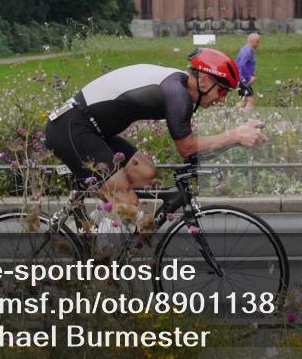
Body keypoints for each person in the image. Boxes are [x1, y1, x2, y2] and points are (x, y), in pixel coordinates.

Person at [44, 48, 266, 231]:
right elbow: (187, 148)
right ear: (205, 81)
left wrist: (235, 139)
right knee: (128, 204)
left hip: (94, 130)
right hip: (71, 127)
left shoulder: (183, 89)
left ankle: (97, 229)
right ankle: (102, 266)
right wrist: (234, 135)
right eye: (222, 92)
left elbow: (192, 147)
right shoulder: (177, 93)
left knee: (145, 173)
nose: (222, 100)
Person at [235, 32, 260, 111]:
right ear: (253, 41)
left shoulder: (246, 50)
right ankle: (246, 119)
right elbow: (242, 65)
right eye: (258, 41)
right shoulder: (247, 51)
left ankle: (230, 113)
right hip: (243, 79)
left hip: (242, 79)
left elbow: (248, 65)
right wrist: (248, 78)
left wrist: (252, 75)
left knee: (244, 101)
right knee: (250, 101)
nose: (259, 44)